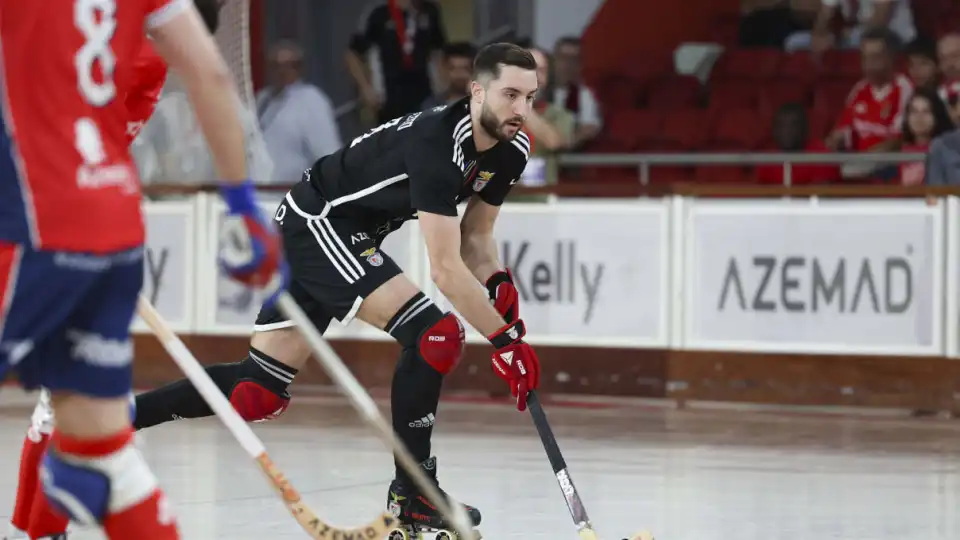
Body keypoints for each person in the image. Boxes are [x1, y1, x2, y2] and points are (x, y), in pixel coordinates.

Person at [128, 42, 542, 538]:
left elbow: (476, 239)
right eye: (510, 95)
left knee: (256, 392)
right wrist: (505, 342)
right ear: (477, 91)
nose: (521, 110)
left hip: (352, 233)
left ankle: (117, 419)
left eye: (530, 97)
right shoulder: (438, 143)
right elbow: (447, 269)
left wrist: (496, 281)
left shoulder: (513, 149)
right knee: (435, 336)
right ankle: (415, 495)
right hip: (318, 221)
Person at [0, 0, 285, 539]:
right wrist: (243, 204)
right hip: (112, 223)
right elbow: (211, 73)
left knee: (81, 438)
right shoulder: (151, 45)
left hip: (29, 222)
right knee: (102, 455)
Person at [255, 41, 342, 184]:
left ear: (300, 68)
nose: (282, 72)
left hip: (291, 195)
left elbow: (327, 154)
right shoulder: (262, 99)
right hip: (259, 194)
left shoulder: (311, 99)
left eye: (290, 65)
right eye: (275, 66)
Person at [755, 103, 840, 184]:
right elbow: (762, 195)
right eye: (781, 125)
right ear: (774, 130)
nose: (786, 131)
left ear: (804, 130)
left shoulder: (821, 156)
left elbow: (820, 195)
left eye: (793, 125)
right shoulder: (767, 161)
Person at [899, 88, 954, 185]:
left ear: (937, 116)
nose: (919, 117)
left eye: (926, 111)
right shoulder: (897, 152)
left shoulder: (949, 151)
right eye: (914, 111)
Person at [421, 41, 477, 109]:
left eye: (465, 69)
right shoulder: (430, 106)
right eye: (453, 69)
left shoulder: (485, 104)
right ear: (445, 69)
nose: (459, 74)